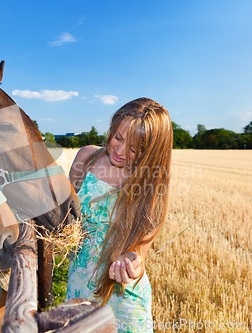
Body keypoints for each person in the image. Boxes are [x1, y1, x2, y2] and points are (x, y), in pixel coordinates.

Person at [66, 97, 173, 332]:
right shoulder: (86, 158)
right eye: (118, 138)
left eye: (134, 149)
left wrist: (133, 263)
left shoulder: (150, 187)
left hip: (124, 302)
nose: (120, 152)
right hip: (79, 288)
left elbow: (139, 254)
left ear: (152, 152)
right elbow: (62, 213)